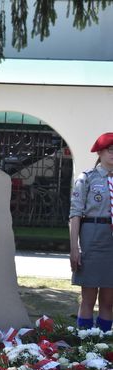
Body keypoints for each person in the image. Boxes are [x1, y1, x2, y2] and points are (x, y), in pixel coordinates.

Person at [69, 132, 113, 332]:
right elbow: (75, 214)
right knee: (88, 297)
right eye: (111, 150)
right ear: (100, 152)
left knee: (108, 300)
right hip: (92, 237)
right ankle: (84, 344)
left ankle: (104, 347)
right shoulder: (87, 178)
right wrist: (74, 248)